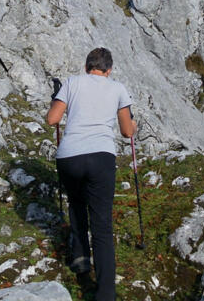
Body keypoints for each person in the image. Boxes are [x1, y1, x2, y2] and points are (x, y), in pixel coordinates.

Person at [46, 47, 136, 301]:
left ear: (87, 67)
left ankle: (80, 258)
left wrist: (56, 99)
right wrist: (134, 125)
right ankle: (105, 292)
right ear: (108, 70)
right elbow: (127, 131)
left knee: (76, 205)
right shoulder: (118, 88)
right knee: (102, 225)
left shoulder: (72, 83)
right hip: (101, 156)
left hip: (69, 157)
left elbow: (53, 119)